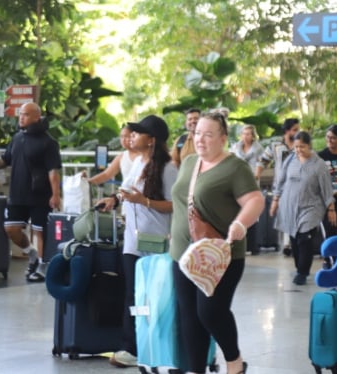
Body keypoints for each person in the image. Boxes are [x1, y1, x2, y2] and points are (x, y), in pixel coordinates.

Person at [170, 112, 264, 374]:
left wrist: (239, 223)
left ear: (223, 138)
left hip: (219, 255)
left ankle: (234, 361)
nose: (200, 139)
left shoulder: (235, 167)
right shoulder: (188, 162)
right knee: (189, 315)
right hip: (183, 254)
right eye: (197, 133)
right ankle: (195, 369)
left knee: (210, 312)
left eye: (208, 134)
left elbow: (256, 201)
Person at [95, 114, 178, 368]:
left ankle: (147, 345)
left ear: (152, 140)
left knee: (152, 296)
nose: (132, 136)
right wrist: (114, 199)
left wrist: (146, 202)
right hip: (132, 240)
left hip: (154, 242)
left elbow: (175, 205)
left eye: (138, 133)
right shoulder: (138, 162)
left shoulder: (168, 168)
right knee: (132, 295)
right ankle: (132, 345)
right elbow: (127, 190)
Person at [0, 102, 62, 282]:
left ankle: (43, 266)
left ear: (37, 117)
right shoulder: (17, 138)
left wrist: (55, 194)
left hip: (40, 195)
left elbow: (53, 171)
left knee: (39, 232)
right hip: (17, 195)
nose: (21, 117)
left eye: (26, 114)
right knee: (11, 229)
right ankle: (32, 255)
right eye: (20, 114)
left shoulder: (49, 142)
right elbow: (5, 160)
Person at [270, 131, 334, 286]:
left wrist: (331, 208)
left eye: (302, 147)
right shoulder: (290, 160)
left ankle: (302, 272)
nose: (298, 150)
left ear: (309, 146)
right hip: (290, 206)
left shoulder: (318, 164)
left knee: (304, 239)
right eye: (296, 147)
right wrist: (275, 200)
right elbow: (281, 180)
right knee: (294, 238)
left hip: (311, 206)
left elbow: (326, 188)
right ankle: (300, 267)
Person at [256, 118, 300, 255]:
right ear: (287, 131)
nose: (297, 132)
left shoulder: (301, 145)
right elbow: (263, 161)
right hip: (281, 186)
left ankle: (293, 242)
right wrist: (256, 176)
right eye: (295, 130)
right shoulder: (275, 146)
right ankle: (287, 244)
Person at [231, 124, 264, 255]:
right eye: (244, 133)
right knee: (238, 212)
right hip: (237, 182)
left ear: (253, 136)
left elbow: (262, 163)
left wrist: (256, 174)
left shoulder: (258, 149)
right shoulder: (235, 148)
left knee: (252, 212)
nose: (246, 136)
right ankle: (239, 244)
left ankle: (253, 245)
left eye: (249, 134)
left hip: (252, 182)